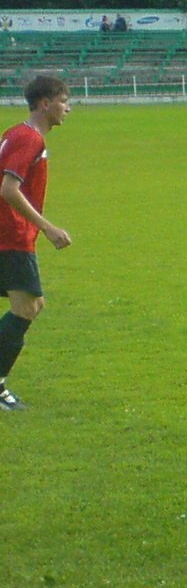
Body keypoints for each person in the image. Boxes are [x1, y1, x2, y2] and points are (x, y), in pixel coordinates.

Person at [0, 75, 73, 411]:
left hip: (10, 235)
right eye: (63, 101)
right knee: (26, 308)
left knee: (33, 304)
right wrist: (48, 228)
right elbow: (8, 189)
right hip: (11, 236)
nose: (67, 108)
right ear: (45, 104)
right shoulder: (30, 139)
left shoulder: (15, 133)